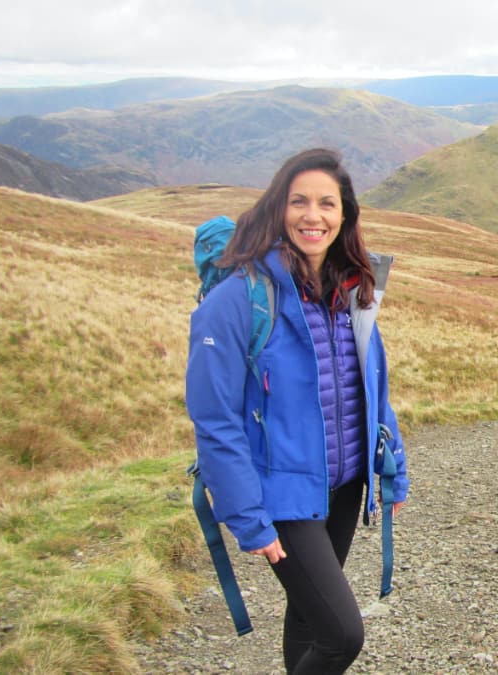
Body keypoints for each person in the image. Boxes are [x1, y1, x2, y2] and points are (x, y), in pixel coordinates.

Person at [185, 147, 409, 673]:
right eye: (299, 202)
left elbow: (372, 388)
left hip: (345, 485)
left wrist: (391, 471)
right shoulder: (238, 299)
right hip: (283, 494)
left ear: (344, 214)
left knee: (309, 619)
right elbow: (215, 420)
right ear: (278, 208)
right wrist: (247, 516)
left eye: (327, 203)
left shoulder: (352, 289)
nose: (314, 216)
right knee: (342, 635)